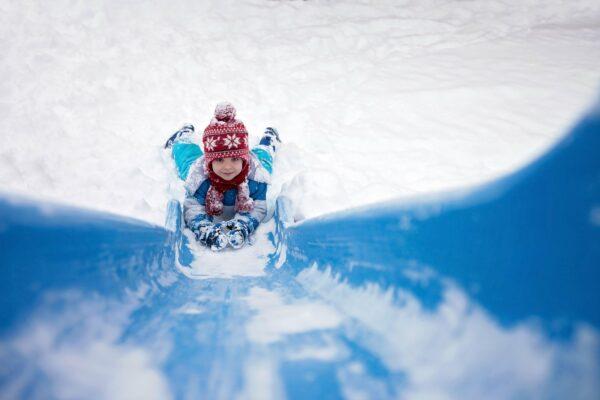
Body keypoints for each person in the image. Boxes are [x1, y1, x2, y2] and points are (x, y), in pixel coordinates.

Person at [165, 102, 280, 251]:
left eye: (234, 159)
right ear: (209, 160)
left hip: (251, 165)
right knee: (187, 158)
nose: (227, 167)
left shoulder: (255, 177)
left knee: (263, 157)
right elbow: (194, 207)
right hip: (204, 171)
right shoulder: (200, 178)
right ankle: (182, 137)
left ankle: (268, 140)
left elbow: (257, 206)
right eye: (219, 160)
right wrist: (203, 227)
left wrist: (244, 223)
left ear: (244, 159)